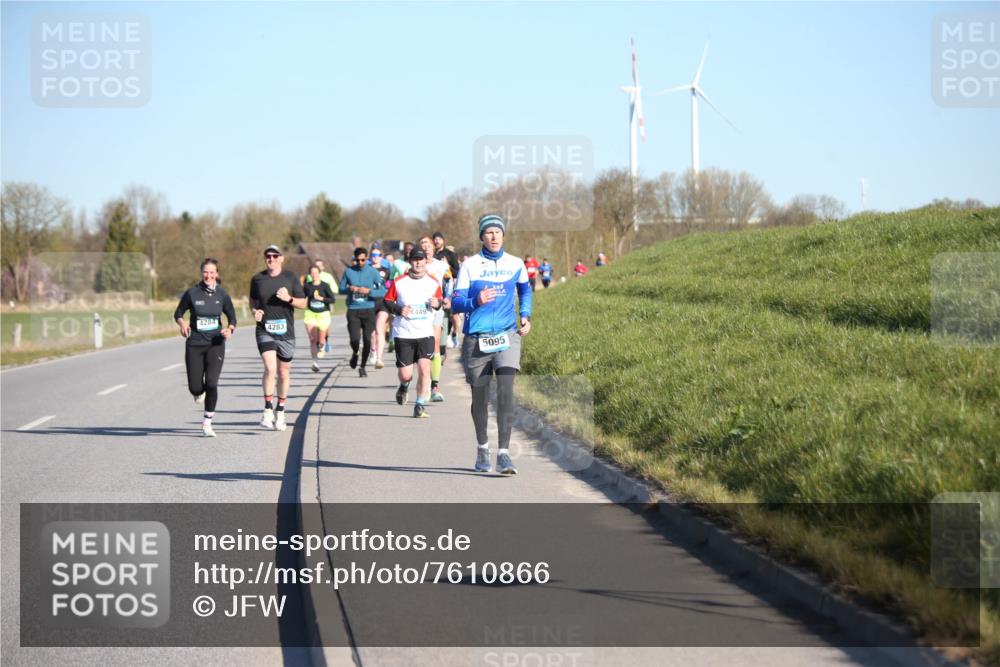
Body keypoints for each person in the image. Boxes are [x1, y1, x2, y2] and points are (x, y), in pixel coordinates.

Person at [452, 214, 532, 475]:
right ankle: (482, 447)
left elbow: (525, 290)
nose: (494, 236)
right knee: (481, 398)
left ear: (504, 235)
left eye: (498, 232)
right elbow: (456, 302)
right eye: (489, 232)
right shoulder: (470, 266)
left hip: (507, 336)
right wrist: (476, 301)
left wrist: (525, 314)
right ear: (482, 237)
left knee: (507, 391)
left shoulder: (515, 263)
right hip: (477, 339)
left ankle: (504, 454)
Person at [174, 258, 237, 437]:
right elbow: (178, 313)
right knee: (195, 387)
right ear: (201, 273)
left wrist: (229, 329)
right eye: (205, 272)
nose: (208, 275)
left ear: (217, 273)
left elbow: (232, 317)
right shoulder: (192, 293)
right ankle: (198, 392)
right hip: (194, 344)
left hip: (215, 344)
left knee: (211, 383)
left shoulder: (222, 295)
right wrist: (182, 323)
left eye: (212, 272)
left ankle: (207, 422)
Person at [250, 245, 307, 431]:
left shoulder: (290, 278)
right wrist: (255, 312)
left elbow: (303, 303)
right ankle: (267, 409)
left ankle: (280, 411)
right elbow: (253, 301)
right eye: (268, 256)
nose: (271, 259)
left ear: (281, 258)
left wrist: (289, 298)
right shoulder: (257, 279)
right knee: (270, 368)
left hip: (286, 333)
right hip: (264, 330)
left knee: (283, 372)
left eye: (275, 256)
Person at [383, 248, 443, 418]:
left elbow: (440, 303)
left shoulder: (433, 282)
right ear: (410, 262)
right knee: (406, 374)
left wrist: (436, 303)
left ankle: (420, 404)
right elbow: (387, 301)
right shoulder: (399, 282)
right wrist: (399, 309)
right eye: (415, 259)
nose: (418, 262)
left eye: (421, 259)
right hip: (404, 333)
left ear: (425, 261)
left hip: (425, 333)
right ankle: (403, 386)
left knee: (424, 370)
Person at [339, 247, 385, 377]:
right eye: (358, 260)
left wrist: (369, 292)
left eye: (363, 260)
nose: (360, 262)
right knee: (354, 339)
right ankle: (355, 353)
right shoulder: (348, 271)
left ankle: (363, 366)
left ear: (367, 259)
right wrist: (350, 288)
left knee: (367, 340)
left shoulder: (373, 272)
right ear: (354, 259)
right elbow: (341, 289)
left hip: (368, 309)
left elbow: (383, 291)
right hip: (353, 310)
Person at [419, 234, 451, 402]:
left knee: (436, 344)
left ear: (433, 247)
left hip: (436, 308)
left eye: (428, 245)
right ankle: (421, 384)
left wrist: (448, 298)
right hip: (419, 311)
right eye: (422, 245)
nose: (425, 248)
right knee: (422, 348)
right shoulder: (415, 266)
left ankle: (434, 387)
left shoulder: (441, 266)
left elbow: (449, 282)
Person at [303, 265, 336, 372]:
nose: (314, 275)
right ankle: (315, 362)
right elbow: (301, 297)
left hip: (323, 314)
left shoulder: (325, 286)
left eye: (316, 272)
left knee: (321, 340)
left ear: (319, 273)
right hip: (310, 314)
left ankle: (322, 345)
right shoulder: (307, 286)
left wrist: (321, 298)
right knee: (312, 339)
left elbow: (332, 299)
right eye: (312, 273)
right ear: (309, 274)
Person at [432, 231, 461, 348]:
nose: (437, 241)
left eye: (439, 238)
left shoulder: (450, 254)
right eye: (435, 239)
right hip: (434, 288)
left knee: (448, 314)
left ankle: (448, 335)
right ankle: (435, 340)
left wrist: (447, 266)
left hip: (448, 289)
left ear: (443, 240)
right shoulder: (431, 255)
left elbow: (457, 273)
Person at [306, 259, 337, 354]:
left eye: (319, 266)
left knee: (325, 327)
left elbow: (335, 289)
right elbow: (306, 291)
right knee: (315, 331)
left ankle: (325, 340)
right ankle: (318, 342)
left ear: (322, 267)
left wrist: (323, 293)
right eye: (316, 266)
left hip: (326, 305)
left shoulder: (328, 277)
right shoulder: (309, 277)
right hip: (312, 309)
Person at [368, 248, 391, 369]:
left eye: (377, 255)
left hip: (382, 302)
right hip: (370, 301)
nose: (375, 257)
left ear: (381, 257)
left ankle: (379, 359)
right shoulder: (366, 270)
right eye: (373, 255)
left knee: (379, 330)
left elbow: (389, 284)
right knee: (372, 334)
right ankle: (373, 350)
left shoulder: (386, 270)